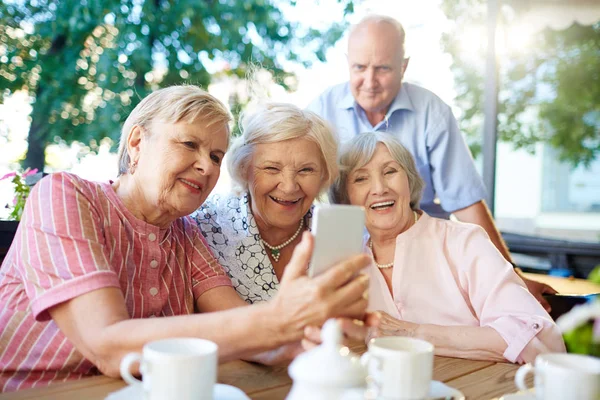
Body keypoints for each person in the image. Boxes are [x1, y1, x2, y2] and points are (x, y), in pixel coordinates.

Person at [0, 86, 370, 392]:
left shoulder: (187, 235)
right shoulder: (64, 196)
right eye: (189, 144)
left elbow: (244, 325)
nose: (207, 166)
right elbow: (108, 344)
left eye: (215, 155)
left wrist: (307, 339)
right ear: (137, 142)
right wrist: (277, 319)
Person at [307, 14, 556, 308]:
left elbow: (466, 203)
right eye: (359, 68)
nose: (370, 81)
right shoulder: (321, 110)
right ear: (348, 62)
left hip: (425, 257)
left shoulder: (432, 113)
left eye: (383, 68)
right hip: (350, 256)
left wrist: (512, 277)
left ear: (404, 66)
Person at [329, 132, 565, 363]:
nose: (379, 188)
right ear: (345, 197)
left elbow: (539, 340)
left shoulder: (464, 242)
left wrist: (414, 333)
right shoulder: (346, 264)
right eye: (361, 178)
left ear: (409, 182)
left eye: (390, 171)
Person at [193, 103, 338, 303]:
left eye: (306, 170)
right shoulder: (205, 226)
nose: (289, 187)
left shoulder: (335, 234)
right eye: (271, 168)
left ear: (324, 175)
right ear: (245, 169)